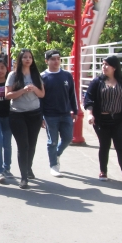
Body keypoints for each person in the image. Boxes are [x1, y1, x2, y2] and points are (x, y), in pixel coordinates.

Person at [83, 55, 122, 186]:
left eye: (107, 65)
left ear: (114, 67)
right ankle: (103, 171)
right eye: (102, 64)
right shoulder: (97, 82)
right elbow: (89, 100)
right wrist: (90, 114)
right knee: (104, 145)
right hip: (102, 120)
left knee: (121, 147)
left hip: (119, 119)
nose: (104, 67)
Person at [5, 48, 45, 189]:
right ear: (20, 59)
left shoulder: (35, 75)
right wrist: (22, 90)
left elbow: (42, 94)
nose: (28, 59)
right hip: (17, 114)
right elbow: (7, 95)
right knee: (23, 145)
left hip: (34, 114)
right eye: (25, 57)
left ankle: (28, 168)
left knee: (32, 144)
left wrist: (34, 89)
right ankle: (23, 177)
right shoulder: (13, 75)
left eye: (30, 57)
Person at [40, 49, 78, 178]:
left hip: (66, 113)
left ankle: (56, 154)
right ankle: (54, 165)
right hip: (50, 115)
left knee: (68, 138)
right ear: (47, 61)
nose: (56, 61)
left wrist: (75, 110)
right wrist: (41, 117)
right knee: (52, 141)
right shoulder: (43, 77)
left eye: (58, 59)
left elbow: (73, 94)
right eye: (53, 59)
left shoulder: (67, 75)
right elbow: (40, 99)